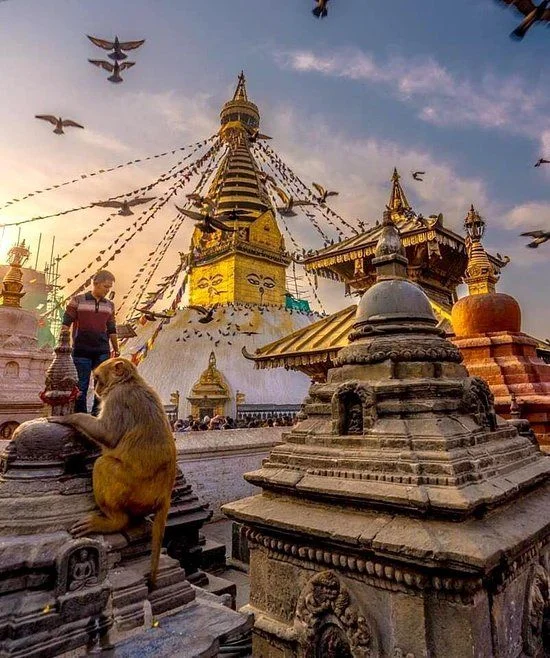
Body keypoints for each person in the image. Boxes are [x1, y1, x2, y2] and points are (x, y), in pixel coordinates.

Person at [61, 270, 119, 415]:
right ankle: (80, 416)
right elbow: (66, 322)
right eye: (105, 286)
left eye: (109, 288)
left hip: (102, 350)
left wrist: (116, 349)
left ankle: (97, 416)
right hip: (82, 349)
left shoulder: (109, 305)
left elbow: (112, 329)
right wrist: (64, 341)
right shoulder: (78, 300)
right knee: (81, 385)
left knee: (103, 384)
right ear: (95, 284)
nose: (107, 290)